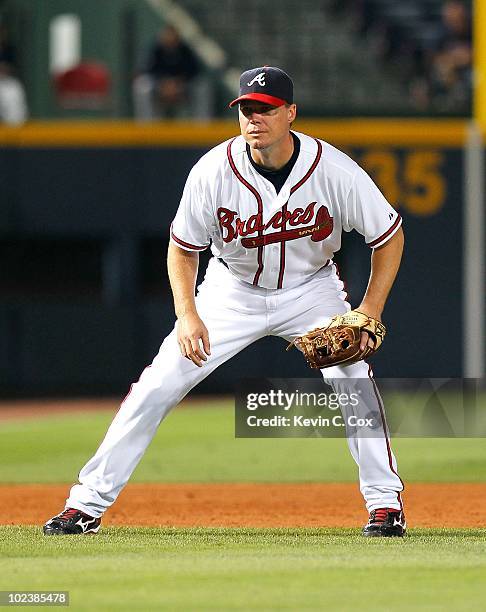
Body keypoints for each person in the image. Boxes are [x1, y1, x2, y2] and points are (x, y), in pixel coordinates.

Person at [44, 66, 406, 538]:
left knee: (353, 383)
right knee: (156, 385)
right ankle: (85, 505)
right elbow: (182, 249)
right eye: (247, 109)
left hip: (311, 289)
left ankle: (385, 505)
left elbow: (389, 236)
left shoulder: (333, 169)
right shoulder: (214, 170)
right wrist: (187, 314)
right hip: (231, 292)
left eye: (267, 109)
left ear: (291, 113)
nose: (255, 117)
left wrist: (369, 310)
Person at [132, 25, 201, 120]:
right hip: (159, 85)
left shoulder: (185, 50)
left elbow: (194, 71)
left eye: (173, 36)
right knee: (142, 86)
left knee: (202, 86)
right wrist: (164, 84)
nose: (170, 39)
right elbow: (146, 71)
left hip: (181, 86)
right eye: (167, 36)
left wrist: (176, 83)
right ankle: (146, 126)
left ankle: (202, 125)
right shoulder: (154, 49)